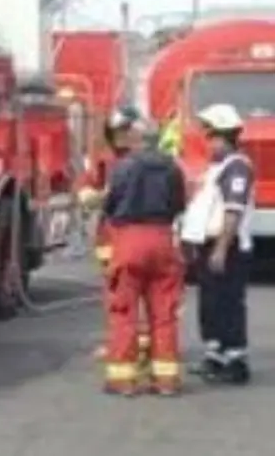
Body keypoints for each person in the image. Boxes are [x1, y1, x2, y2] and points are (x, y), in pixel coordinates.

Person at [101, 122, 187, 396]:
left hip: (129, 238)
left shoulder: (124, 167)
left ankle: (123, 380)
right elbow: (179, 205)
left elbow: (110, 204)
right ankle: (166, 381)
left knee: (123, 311)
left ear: (136, 139)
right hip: (162, 237)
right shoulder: (173, 168)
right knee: (164, 313)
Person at [181, 103, 254, 385]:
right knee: (211, 304)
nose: (208, 140)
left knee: (227, 304)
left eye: (211, 135)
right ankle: (216, 355)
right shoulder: (219, 168)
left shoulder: (237, 168)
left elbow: (232, 210)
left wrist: (222, 247)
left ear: (224, 135)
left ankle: (235, 360)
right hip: (210, 245)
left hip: (228, 246)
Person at [77, 106, 152, 361]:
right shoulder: (104, 160)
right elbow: (86, 190)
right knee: (117, 295)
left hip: (140, 234)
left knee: (145, 293)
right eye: (116, 131)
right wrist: (95, 196)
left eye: (125, 131)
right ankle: (123, 341)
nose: (121, 137)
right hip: (111, 236)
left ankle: (140, 342)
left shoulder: (149, 161)